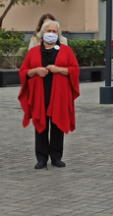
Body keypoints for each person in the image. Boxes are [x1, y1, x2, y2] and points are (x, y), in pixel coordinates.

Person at [18, 20, 80, 169]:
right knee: (41, 126)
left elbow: (75, 70)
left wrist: (59, 70)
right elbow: (23, 72)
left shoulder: (66, 50)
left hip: (59, 95)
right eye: (48, 31)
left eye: (54, 31)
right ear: (42, 33)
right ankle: (41, 158)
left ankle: (56, 157)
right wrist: (35, 71)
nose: (51, 34)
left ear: (58, 34)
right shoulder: (33, 52)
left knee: (58, 125)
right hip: (40, 95)